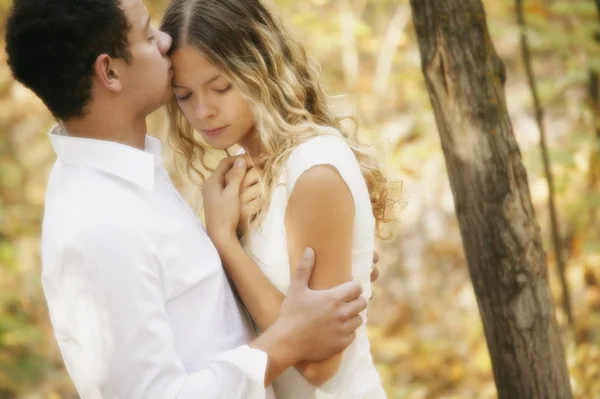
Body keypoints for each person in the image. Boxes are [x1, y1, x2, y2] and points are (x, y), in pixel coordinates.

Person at [4, 0, 378, 397]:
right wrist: (289, 336)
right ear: (109, 71)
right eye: (148, 33)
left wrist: (331, 256)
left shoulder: (138, 177)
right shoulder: (97, 226)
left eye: (220, 87)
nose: (165, 41)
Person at [161, 0, 393, 397]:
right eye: (184, 95)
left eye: (221, 87)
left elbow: (319, 366)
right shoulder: (240, 172)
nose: (203, 112)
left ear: (260, 68)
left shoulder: (314, 171)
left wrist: (224, 240)